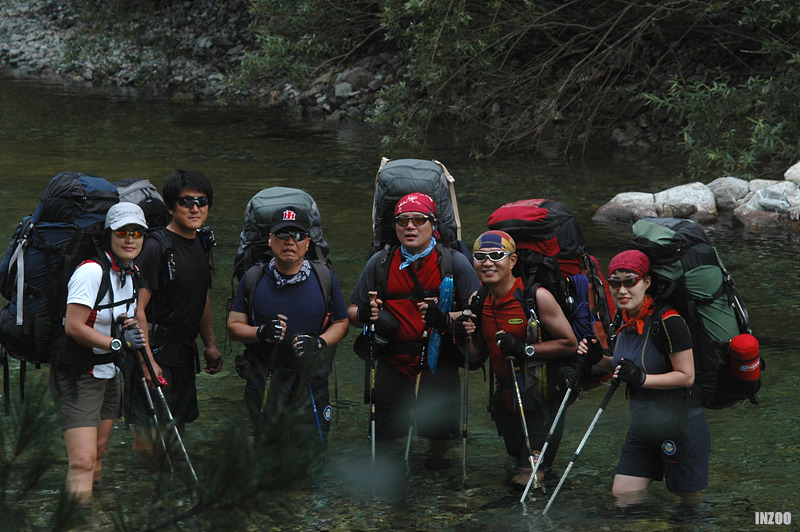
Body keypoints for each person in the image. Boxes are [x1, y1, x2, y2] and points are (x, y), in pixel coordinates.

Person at [348, 192, 479, 467]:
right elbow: (350, 313)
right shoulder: (380, 263)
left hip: (439, 362)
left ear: (434, 224)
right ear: (394, 226)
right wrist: (364, 314)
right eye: (402, 221)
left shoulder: (454, 262)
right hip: (391, 362)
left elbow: (476, 313)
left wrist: (444, 318)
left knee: (441, 441)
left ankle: (438, 498)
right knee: (385, 441)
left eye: (419, 220)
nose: (410, 227)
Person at [579, 249, 709, 506]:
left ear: (646, 282)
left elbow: (686, 376)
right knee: (624, 495)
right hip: (642, 425)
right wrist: (598, 358)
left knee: (688, 502)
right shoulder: (622, 318)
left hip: (679, 423)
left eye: (630, 281)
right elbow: (624, 367)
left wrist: (641, 380)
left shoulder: (669, 321)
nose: (622, 290)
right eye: (615, 283)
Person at [455, 230, 577, 489]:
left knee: (527, 477)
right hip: (506, 399)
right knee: (520, 465)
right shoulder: (479, 300)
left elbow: (569, 344)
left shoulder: (536, 297)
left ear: (512, 261)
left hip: (542, 397)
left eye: (496, 256)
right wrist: (460, 337)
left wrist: (525, 349)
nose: (487, 263)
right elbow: (476, 357)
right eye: (479, 257)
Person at [227, 206, 349, 445]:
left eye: (298, 236)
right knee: (267, 450)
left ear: (307, 242)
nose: (290, 242)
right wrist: (260, 332)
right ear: (270, 240)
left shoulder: (324, 278)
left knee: (312, 450)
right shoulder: (253, 278)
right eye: (283, 235)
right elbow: (233, 326)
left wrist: (319, 342)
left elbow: (341, 322)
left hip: (311, 381)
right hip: (265, 379)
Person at [52, 202, 148, 500]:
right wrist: (118, 343)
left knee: (98, 454)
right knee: (81, 462)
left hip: (109, 372)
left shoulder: (131, 272)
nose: (130, 238)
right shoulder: (91, 272)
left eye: (137, 232)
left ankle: (97, 512)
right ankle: (77, 521)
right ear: (109, 234)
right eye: (122, 232)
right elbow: (73, 326)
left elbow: (118, 312)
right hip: (79, 373)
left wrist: (127, 324)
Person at [131, 169, 222, 456]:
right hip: (155, 350)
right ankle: (142, 491)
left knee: (177, 433)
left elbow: (201, 297)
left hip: (183, 351)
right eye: (186, 202)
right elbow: (137, 308)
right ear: (170, 207)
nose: (195, 208)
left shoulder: (201, 243)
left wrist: (209, 344)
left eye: (202, 201)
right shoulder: (156, 248)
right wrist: (147, 362)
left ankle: (171, 495)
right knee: (148, 438)